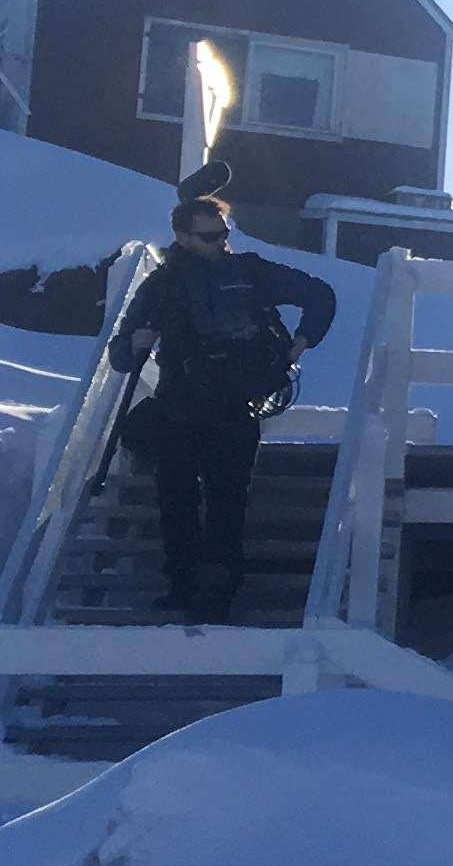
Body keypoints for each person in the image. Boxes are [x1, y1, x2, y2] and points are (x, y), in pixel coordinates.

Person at [111, 196, 337, 624]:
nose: (219, 243)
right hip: (179, 403)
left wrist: (299, 345)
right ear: (182, 236)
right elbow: (121, 355)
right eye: (208, 236)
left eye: (223, 235)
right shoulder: (161, 285)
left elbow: (320, 296)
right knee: (175, 496)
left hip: (235, 405)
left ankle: (219, 586)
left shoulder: (250, 272)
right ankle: (182, 583)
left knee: (226, 497)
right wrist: (135, 344)